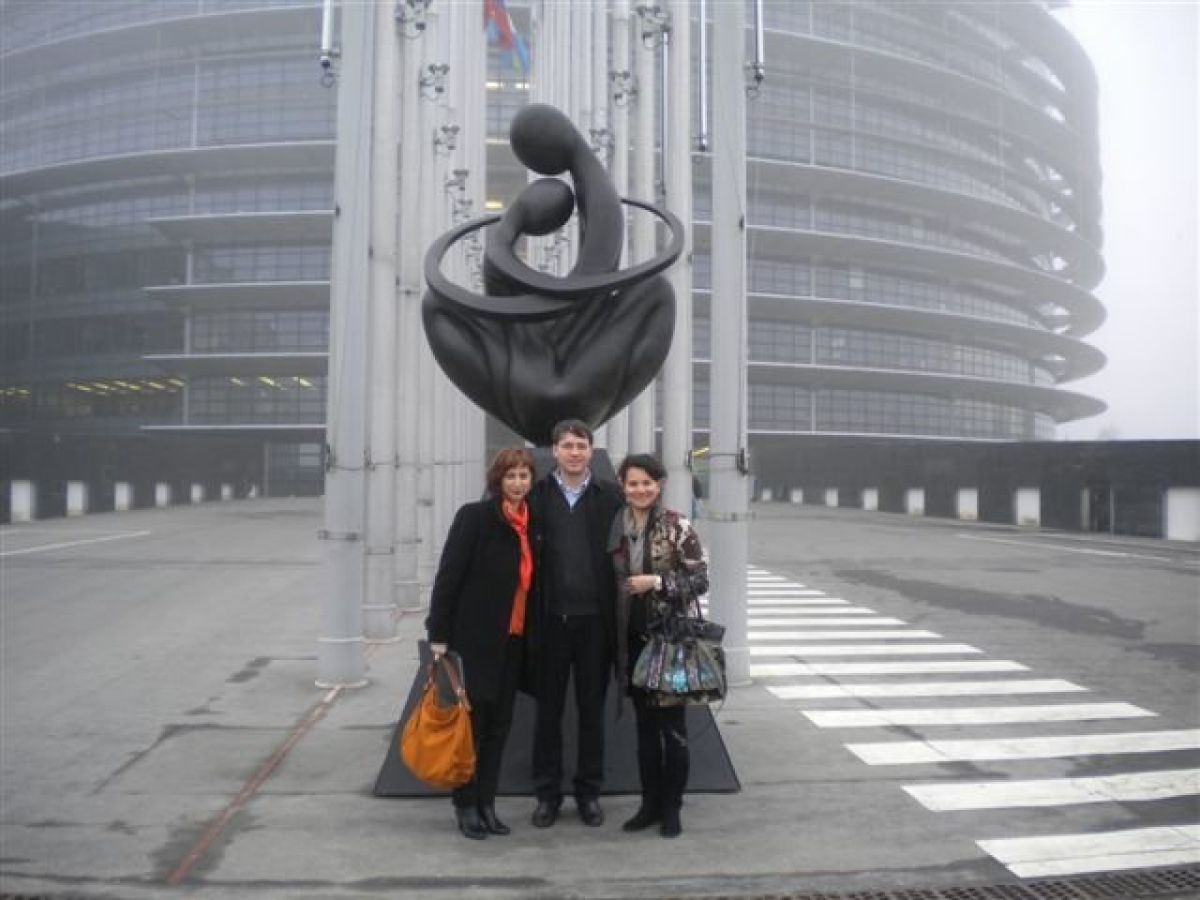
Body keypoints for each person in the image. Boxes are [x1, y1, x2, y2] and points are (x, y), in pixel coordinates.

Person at [426, 447, 536, 840]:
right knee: (470, 728)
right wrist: (438, 634)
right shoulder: (474, 518)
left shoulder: (531, 524)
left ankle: (488, 803)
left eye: (524, 476)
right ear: (497, 480)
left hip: (514, 640)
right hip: (474, 640)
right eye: (511, 476)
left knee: (499, 726)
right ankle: (466, 804)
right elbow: (448, 577)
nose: (518, 483)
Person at [527, 419, 624, 828]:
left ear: (591, 450)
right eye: (567, 445)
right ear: (554, 450)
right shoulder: (535, 495)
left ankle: (589, 794)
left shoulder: (611, 496)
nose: (574, 453)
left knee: (591, 712)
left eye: (581, 446)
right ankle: (547, 796)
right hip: (549, 621)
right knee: (547, 714)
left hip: (595, 624)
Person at [608, 453, 710, 838]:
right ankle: (649, 804)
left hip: (669, 641)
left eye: (647, 483)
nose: (640, 490)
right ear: (623, 487)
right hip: (630, 640)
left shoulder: (677, 526)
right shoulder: (614, 526)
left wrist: (658, 583)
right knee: (645, 728)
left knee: (673, 728)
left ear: (659, 485)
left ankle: (672, 807)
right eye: (633, 483)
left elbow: (700, 581)